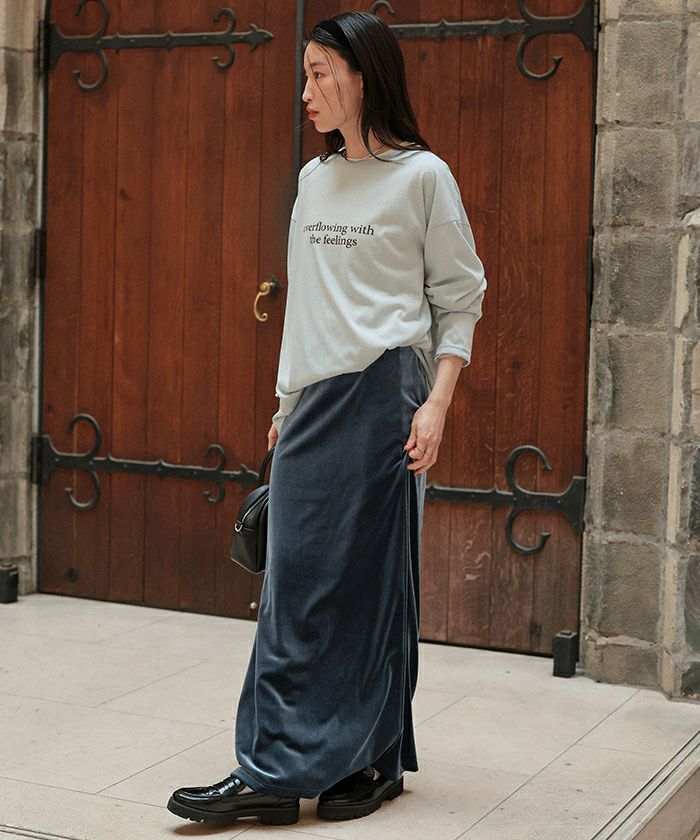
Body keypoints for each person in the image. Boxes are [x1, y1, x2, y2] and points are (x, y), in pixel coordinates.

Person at [167, 10, 487, 828]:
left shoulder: (424, 178)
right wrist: (287, 404)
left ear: (362, 79)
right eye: (305, 74)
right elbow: (306, 303)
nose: (305, 91)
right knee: (293, 588)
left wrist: (437, 405)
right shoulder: (315, 180)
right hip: (315, 404)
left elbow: (460, 299)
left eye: (318, 74)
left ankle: (370, 760)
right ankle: (273, 771)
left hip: (387, 398)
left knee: (372, 587)